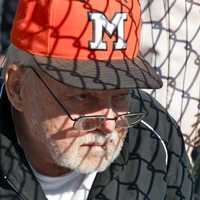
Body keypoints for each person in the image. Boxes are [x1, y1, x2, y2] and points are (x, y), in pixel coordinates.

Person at [0, 0, 194, 200]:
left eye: (120, 96)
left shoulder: (153, 133)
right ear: (17, 88)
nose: (109, 125)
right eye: (83, 97)